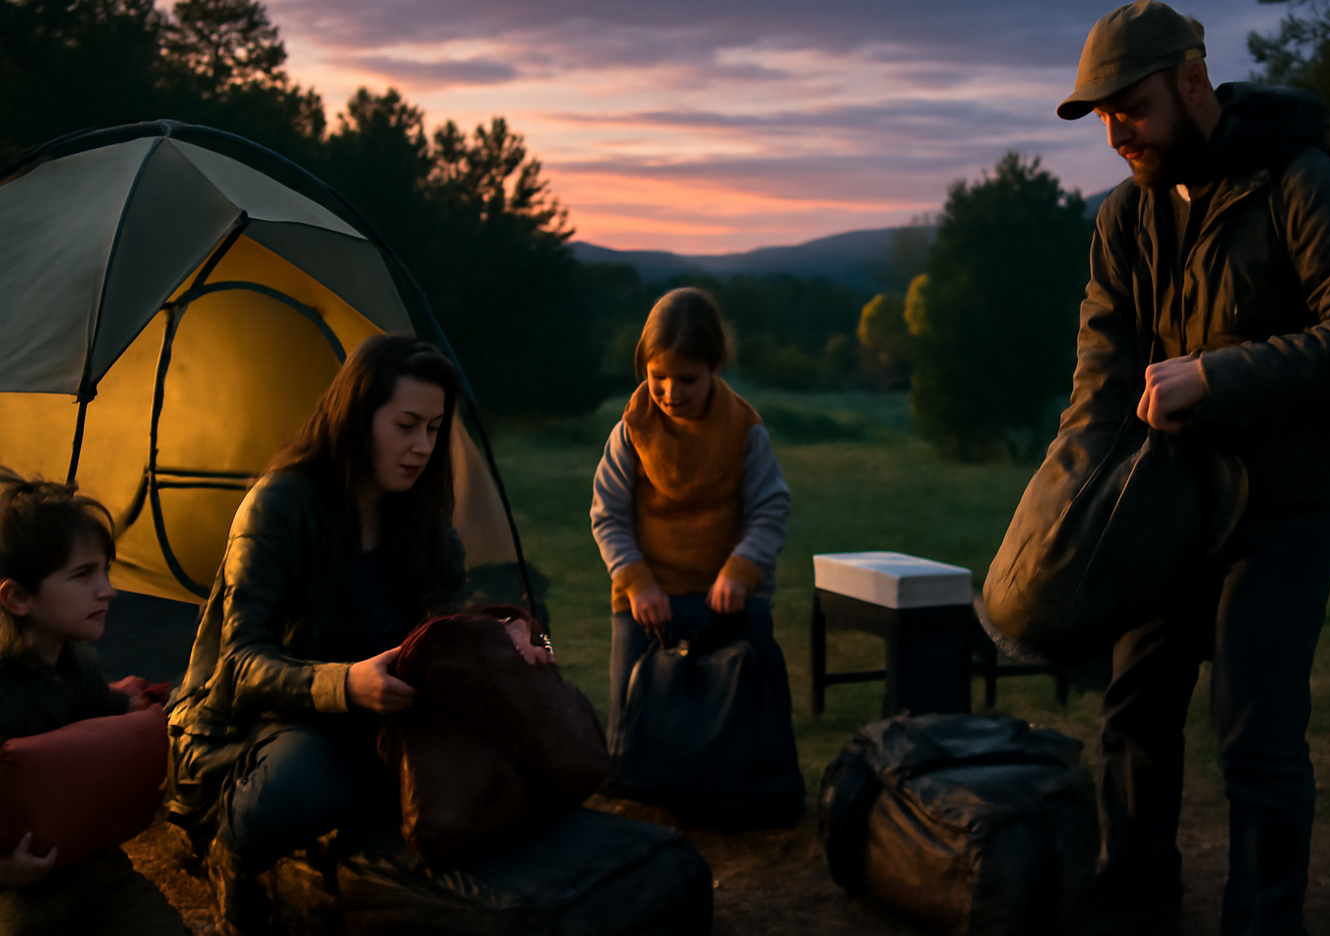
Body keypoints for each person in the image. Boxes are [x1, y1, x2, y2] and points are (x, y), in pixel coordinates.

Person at [1052, 1, 1330, 935]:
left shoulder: (1298, 182)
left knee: (1254, 735)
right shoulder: (1124, 218)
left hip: (1287, 505)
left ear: (1193, 82)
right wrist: (1066, 511)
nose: (1117, 132)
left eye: (1130, 106)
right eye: (1102, 117)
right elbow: (1101, 375)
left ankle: (1261, 922)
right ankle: (1133, 906)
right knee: (1133, 710)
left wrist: (1216, 375)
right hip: (1174, 507)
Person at [165, 335, 551, 936]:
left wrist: (507, 636)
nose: (421, 447)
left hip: (370, 715)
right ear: (357, 417)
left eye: (433, 429)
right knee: (313, 780)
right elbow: (237, 665)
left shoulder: (425, 521)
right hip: (250, 723)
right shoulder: (282, 506)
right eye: (405, 425)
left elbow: (438, 631)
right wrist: (344, 684)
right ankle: (231, 857)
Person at [591, 287, 791, 747]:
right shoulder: (632, 429)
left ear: (714, 365)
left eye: (687, 379)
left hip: (730, 591)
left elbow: (770, 508)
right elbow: (608, 515)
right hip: (649, 593)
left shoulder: (744, 428)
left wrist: (740, 573)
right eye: (657, 376)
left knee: (745, 714)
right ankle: (638, 772)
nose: (669, 392)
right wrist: (638, 583)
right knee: (634, 727)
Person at [0, 470, 188, 935]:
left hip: (98, 873)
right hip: (20, 894)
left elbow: (109, 724)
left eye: (105, 571)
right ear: (18, 596)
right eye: (84, 575)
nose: (108, 590)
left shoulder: (77, 663)